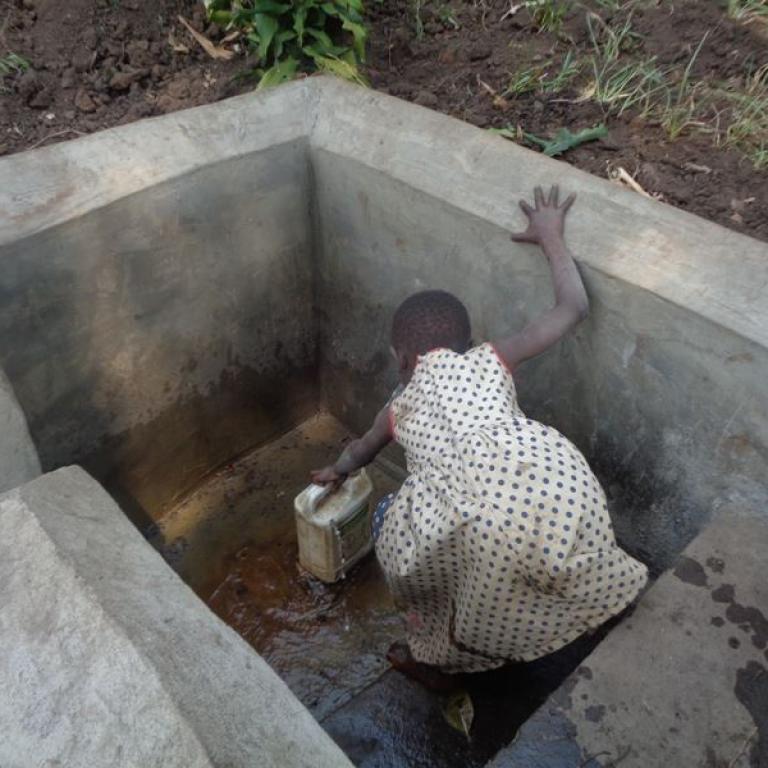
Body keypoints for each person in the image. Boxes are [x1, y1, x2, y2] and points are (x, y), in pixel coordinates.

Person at [311, 185, 648, 679]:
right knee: (555, 540)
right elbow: (573, 307)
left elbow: (361, 450)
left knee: (395, 526)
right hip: (548, 485)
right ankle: (606, 605)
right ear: (469, 342)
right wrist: (550, 235)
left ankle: (441, 654)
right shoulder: (494, 357)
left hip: (466, 522)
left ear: (401, 360)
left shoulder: (398, 408)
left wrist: (336, 471)